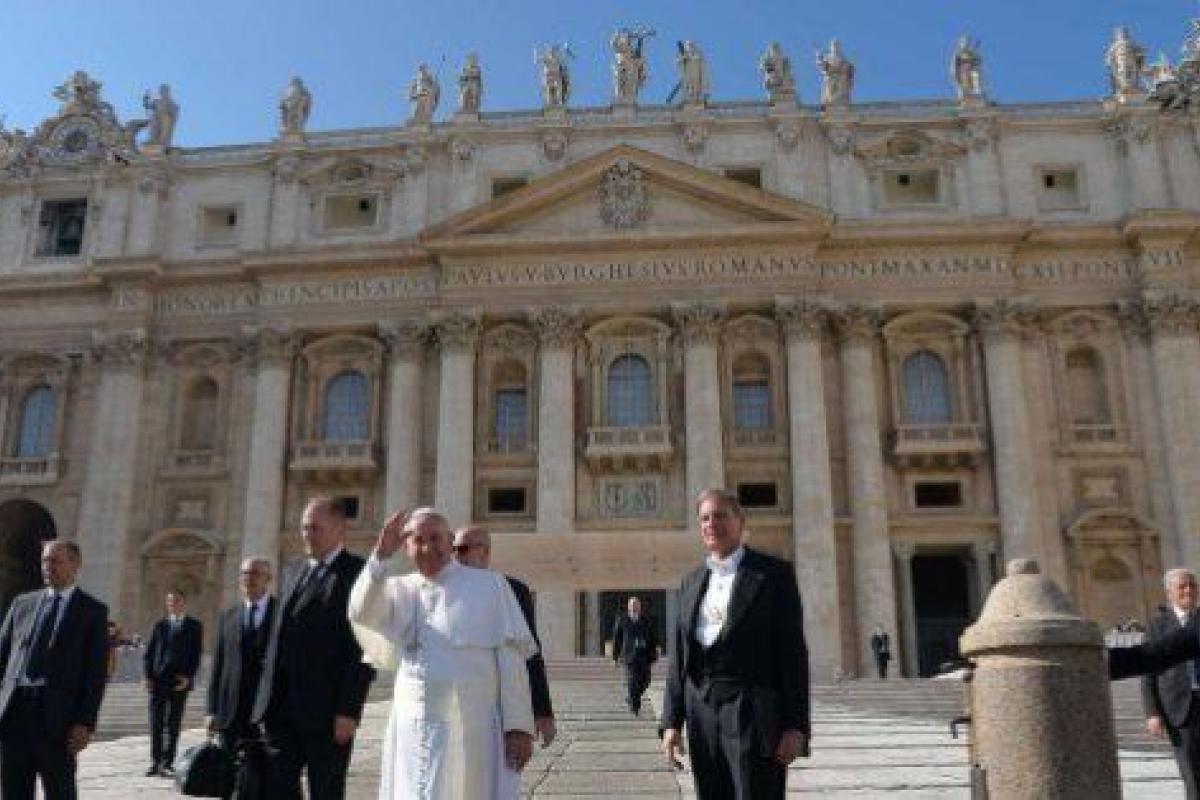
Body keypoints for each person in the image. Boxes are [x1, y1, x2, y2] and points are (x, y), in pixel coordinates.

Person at [348, 507, 537, 799]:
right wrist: (380, 555)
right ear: (406, 546)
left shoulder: (489, 586)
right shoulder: (399, 589)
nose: (427, 547)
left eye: (435, 538)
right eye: (418, 540)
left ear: (450, 542)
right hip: (412, 719)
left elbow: (511, 661)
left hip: (471, 721)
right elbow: (360, 610)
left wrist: (518, 727)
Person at [660, 488, 810, 799]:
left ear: (740, 522)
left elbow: (793, 654)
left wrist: (795, 726)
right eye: (705, 518)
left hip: (753, 710)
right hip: (701, 711)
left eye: (720, 516)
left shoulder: (773, 575)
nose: (711, 524)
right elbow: (680, 657)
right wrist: (671, 721)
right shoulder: (690, 582)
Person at [252, 497, 375, 799]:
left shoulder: (358, 573)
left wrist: (349, 710)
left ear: (339, 529)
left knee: (326, 791)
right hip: (281, 708)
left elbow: (363, 648)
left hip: (327, 712)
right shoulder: (293, 569)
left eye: (315, 528)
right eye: (304, 527)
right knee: (278, 788)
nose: (307, 534)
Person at [0, 541, 109, 800]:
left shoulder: (92, 611)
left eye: (55, 561)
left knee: (60, 791)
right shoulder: (22, 604)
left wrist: (85, 722)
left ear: (75, 564)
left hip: (59, 719)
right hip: (15, 712)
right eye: (45, 561)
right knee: (13, 791)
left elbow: (95, 673)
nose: (48, 567)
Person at [451, 525, 556, 747]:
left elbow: (531, 653)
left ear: (485, 551)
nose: (456, 556)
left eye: (463, 549)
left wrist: (542, 711)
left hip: (498, 703)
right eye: (454, 549)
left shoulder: (513, 591)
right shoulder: (441, 589)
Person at [207, 557, 276, 792]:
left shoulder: (282, 614)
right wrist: (211, 710)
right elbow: (218, 667)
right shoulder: (228, 616)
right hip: (231, 711)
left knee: (267, 777)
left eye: (255, 573)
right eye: (245, 573)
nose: (249, 578)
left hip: (267, 711)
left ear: (268, 578)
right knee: (229, 777)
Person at [1141, 568, 1200, 797]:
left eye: (1192, 585)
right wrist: (1152, 713)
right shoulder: (1157, 626)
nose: (1189, 590)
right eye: (1182, 586)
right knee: (1192, 774)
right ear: (1169, 592)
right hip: (1179, 709)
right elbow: (1147, 672)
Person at [143, 590, 203, 777]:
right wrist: (147, 676)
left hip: (179, 681)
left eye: (176, 600)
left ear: (184, 602)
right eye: (169, 601)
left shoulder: (194, 626)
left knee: (173, 722)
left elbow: (196, 654)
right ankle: (155, 762)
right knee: (156, 723)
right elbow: (150, 653)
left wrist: (188, 677)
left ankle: (168, 762)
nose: (172, 604)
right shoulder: (160, 625)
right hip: (158, 680)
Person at [612, 596, 657, 715]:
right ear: (628, 606)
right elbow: (617, 639)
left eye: (636, 604)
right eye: (632, 605)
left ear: (640, 606)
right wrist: (615, 657)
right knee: (632, 681)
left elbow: (652, 638)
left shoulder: (646, 620)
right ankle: (635, 707)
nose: (634, 607)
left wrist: (653, 654)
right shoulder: (622, 620)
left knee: (646, 681)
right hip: (629, 657)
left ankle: (631, 698)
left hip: (644, 656)